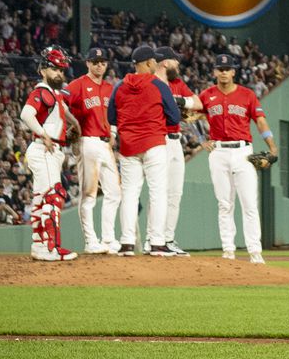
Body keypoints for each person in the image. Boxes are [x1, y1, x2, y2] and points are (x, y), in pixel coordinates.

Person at [198, 54, 277, 262]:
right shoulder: (206, 95)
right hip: (218, 152)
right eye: (220, 68)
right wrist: (200, 140)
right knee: (225, 204)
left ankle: (255, 251)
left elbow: (260, 121)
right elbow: (189, 115)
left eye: (227, 68)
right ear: (214, 71)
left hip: (243, 152)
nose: (223, 71)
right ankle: (228, 249)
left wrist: (272, 146)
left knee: (249, 203)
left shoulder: (247, 95)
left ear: (233, 72)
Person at [107, 44, 180, 256]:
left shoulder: (119, 86)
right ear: (148, 63)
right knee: (158, 193)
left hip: (128, 146)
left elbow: (111, 117)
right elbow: (174, 117)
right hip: (154, 143)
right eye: (153, 61)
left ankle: (127, 243)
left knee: (129, 194)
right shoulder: (158, 85)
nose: (155, 64)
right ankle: (157, 242)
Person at [18, 46, 82, 262]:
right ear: (43, 70)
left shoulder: (53, 93)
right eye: (55, 69)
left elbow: (61, 109)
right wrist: (43, 133)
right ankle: (51, 247)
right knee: (53, 196)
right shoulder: (42, 91)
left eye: (62, 70)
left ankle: (39, 246)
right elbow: (26, 114)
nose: (59, 74)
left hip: (48, 150)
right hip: (45, 148)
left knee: (40, 200)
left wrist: (74, 123)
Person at [145, 46, 201, 256]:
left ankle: (168, 238)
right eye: (176, 61)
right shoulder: (151, 82)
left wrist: (180, 101)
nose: (178, 64)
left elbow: (198, 102)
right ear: (166, 62)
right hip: (159, 140)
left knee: (175, 194)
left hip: (176, 141)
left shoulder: (177, 84)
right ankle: (152, 238)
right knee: (159, 192)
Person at [66, 46, 120, 254]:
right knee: (88, 194)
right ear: (87, 63)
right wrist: (71, 126)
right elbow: (60, 103)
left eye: (103, 62)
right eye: (95, 62)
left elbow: (115, 114)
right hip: (87, 141)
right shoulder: (77, 85)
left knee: (114, 193)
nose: (99, 65)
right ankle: (91, 241)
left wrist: (113, 131)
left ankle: (108, 239)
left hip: (106, 143)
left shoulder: (109, 88)